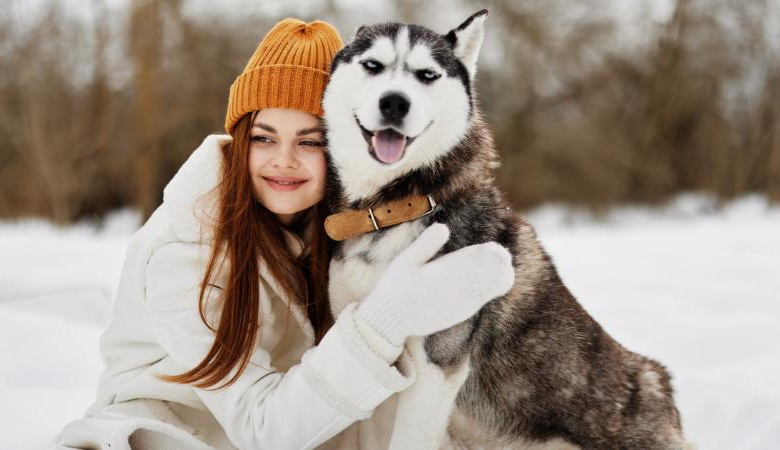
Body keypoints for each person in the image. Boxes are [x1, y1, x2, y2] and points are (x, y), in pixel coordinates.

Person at [55, 18, 514, 450]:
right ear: (239, 140)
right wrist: (386, 317)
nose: (284, 160)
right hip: (171, 437)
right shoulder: (187, 250)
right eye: (263, 137)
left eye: (310, 141)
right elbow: (265, 429)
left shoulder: (336, 228)